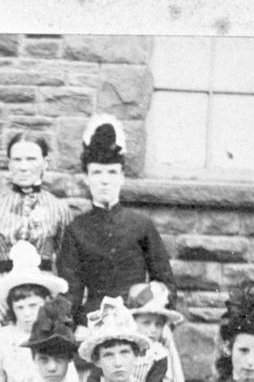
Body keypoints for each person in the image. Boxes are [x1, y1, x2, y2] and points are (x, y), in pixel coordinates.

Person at [55, 115, 175, 328]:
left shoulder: (141, 225)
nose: (104, 180)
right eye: (97, 172)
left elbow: (167, 283)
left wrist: (150, 299)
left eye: (111, 172)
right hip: (94, 322)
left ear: (122, 177)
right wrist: (71, 329)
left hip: (137, 320)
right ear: (86, 178)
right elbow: (70, 294)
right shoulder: (76, 230)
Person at [0, 132, 74, 324]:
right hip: (0, 300)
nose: (24, 167)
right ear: (9, 164)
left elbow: (65, 263)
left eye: (31, 159)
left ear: (45, 163)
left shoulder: (59, 209)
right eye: (17, 160)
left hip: (45, 299)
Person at [0, 244, 69, 382]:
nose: (27, 313)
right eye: (20, 307)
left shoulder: (56, 334)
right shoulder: (3, 338)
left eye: (33, 306)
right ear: (12, 307)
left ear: (46, 302)